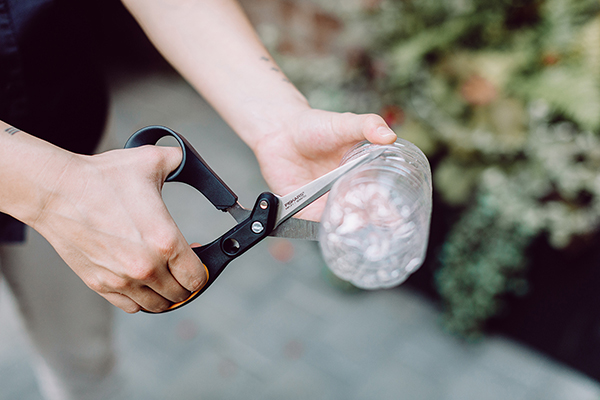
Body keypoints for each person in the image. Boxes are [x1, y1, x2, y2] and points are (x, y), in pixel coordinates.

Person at [0, 0, 397, 398]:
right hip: (74, 180)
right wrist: (51, 190)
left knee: (83, 362)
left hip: (73, 135)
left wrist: (276, 121)